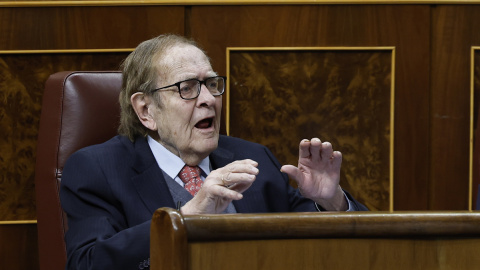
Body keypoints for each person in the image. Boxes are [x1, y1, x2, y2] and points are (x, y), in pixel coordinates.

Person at [60, 34, 368, 270]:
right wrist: (187, 217)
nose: (208, 99)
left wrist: (330, 203)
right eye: (187, 88)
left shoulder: (253, 157)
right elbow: (87, 262)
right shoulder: (97, 169)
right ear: (145, 109)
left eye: (211, 84)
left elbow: (337, 249)